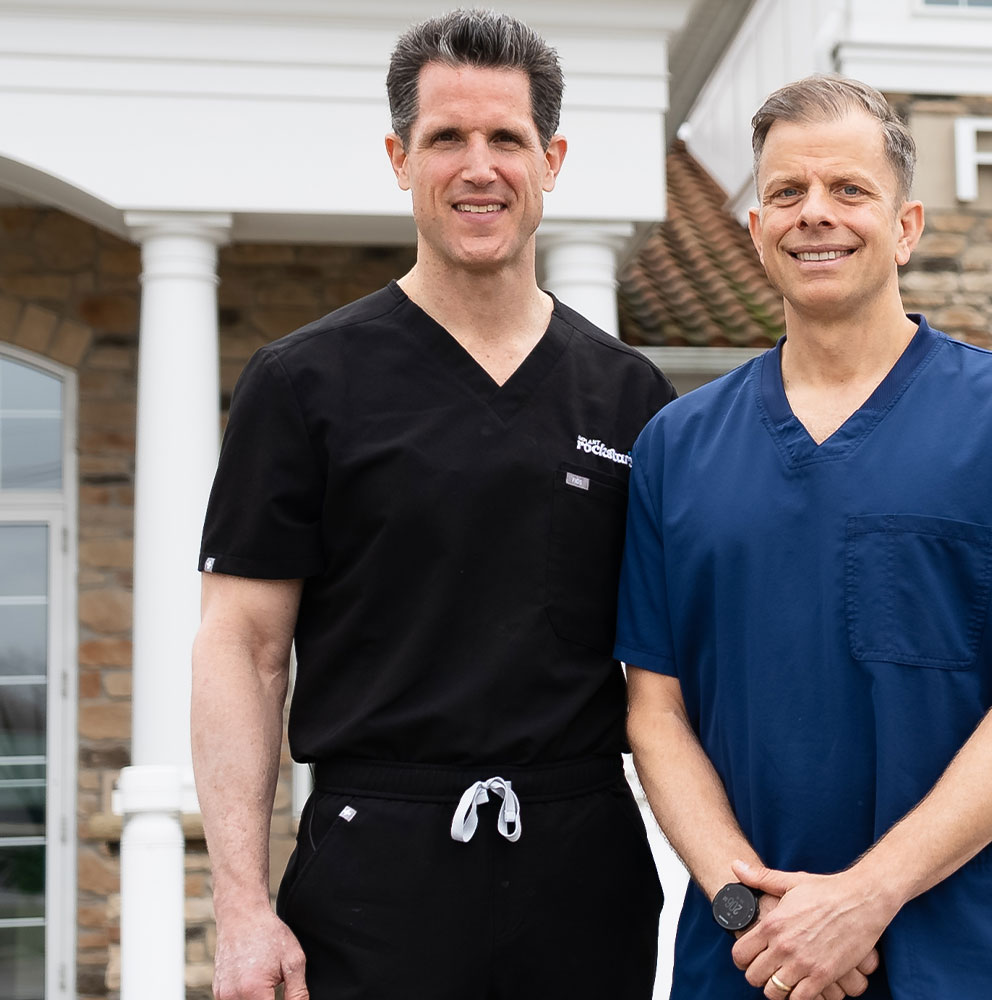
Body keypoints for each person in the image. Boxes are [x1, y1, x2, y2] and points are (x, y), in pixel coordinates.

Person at [616, 74, 992, 1000]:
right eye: (785, 193)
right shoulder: (677, 448)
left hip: (967, 960)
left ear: (906, 226)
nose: (814, 216)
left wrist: (862, 900)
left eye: (849, 190)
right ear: (755, 230)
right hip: (751, 965)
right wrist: (746, 910)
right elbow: (655, 713)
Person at [191, 10, 672, 999]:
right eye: (446, 137)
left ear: (553, 159)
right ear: (399, 157)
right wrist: (240, 904)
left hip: (583, 866)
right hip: (374, 867)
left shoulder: (629, 396)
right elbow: (241, 644)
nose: (478, 165)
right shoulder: (302, 383)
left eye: (506, 138)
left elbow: (677, 665)